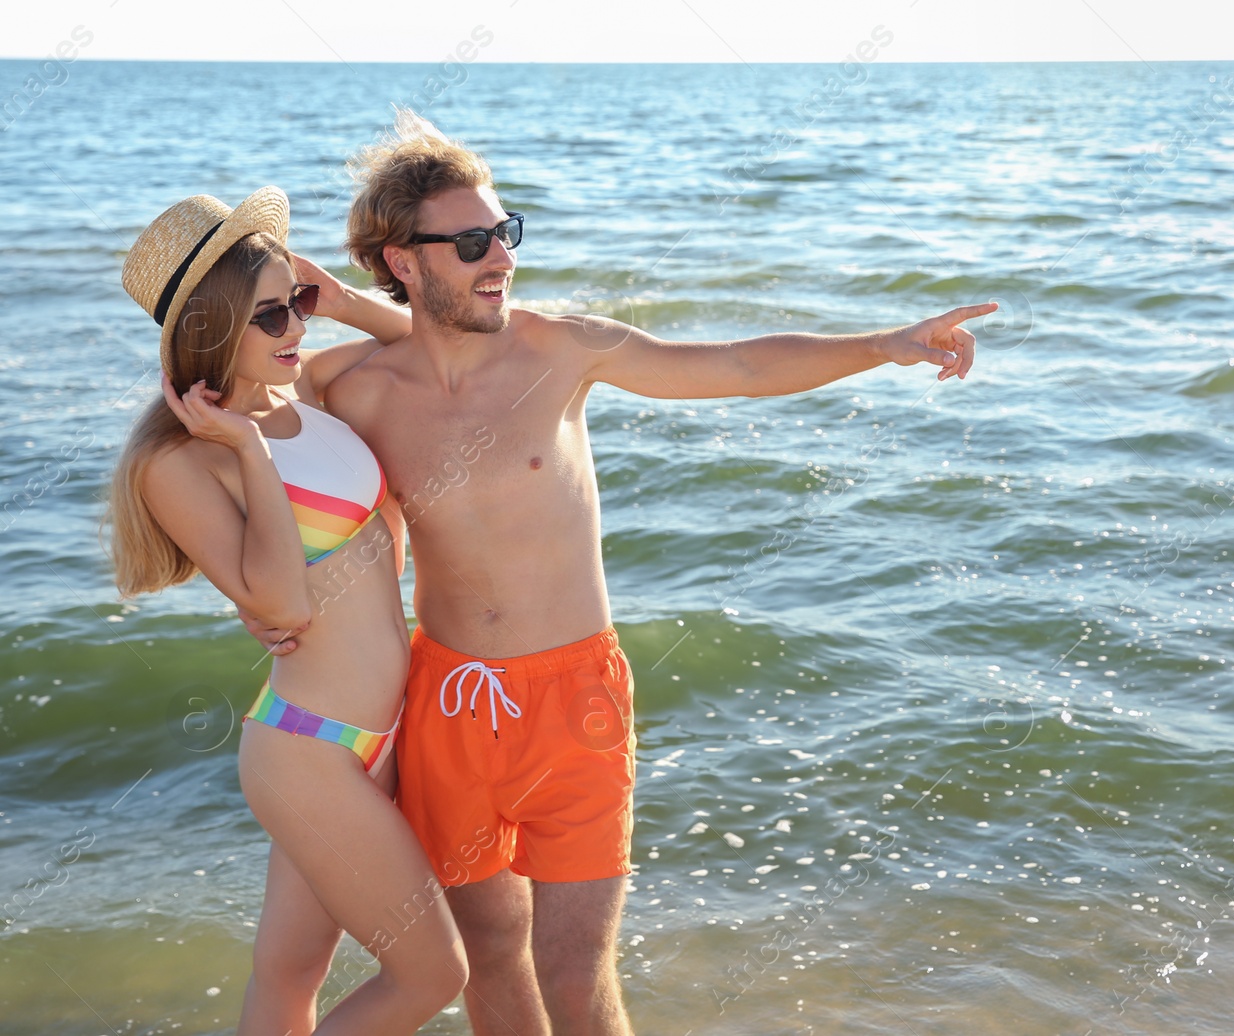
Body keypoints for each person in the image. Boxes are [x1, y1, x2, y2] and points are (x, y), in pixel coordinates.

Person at [244, 112, 993, 1036]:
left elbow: (739, 366)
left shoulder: (562, 351)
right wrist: (257, 598)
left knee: (571, 973)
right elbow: (259, 461)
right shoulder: (353, 389)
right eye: (475, 242)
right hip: (446, 704)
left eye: (505, 233)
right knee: (489, 963)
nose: (502, 259)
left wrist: (879, 344)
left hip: (575, 701)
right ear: (403, 259)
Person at [108, 187, 468, 1034]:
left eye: (297, 303)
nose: (297, 331)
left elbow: (438, 350)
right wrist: (247, 448)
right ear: (212, 328)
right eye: (271, 317)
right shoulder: (184, 459)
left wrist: (343, 300)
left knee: (288, 975)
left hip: (383, 734)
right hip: (309, 752)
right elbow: (279, 599)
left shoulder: (307, 396)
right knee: (433, 974)